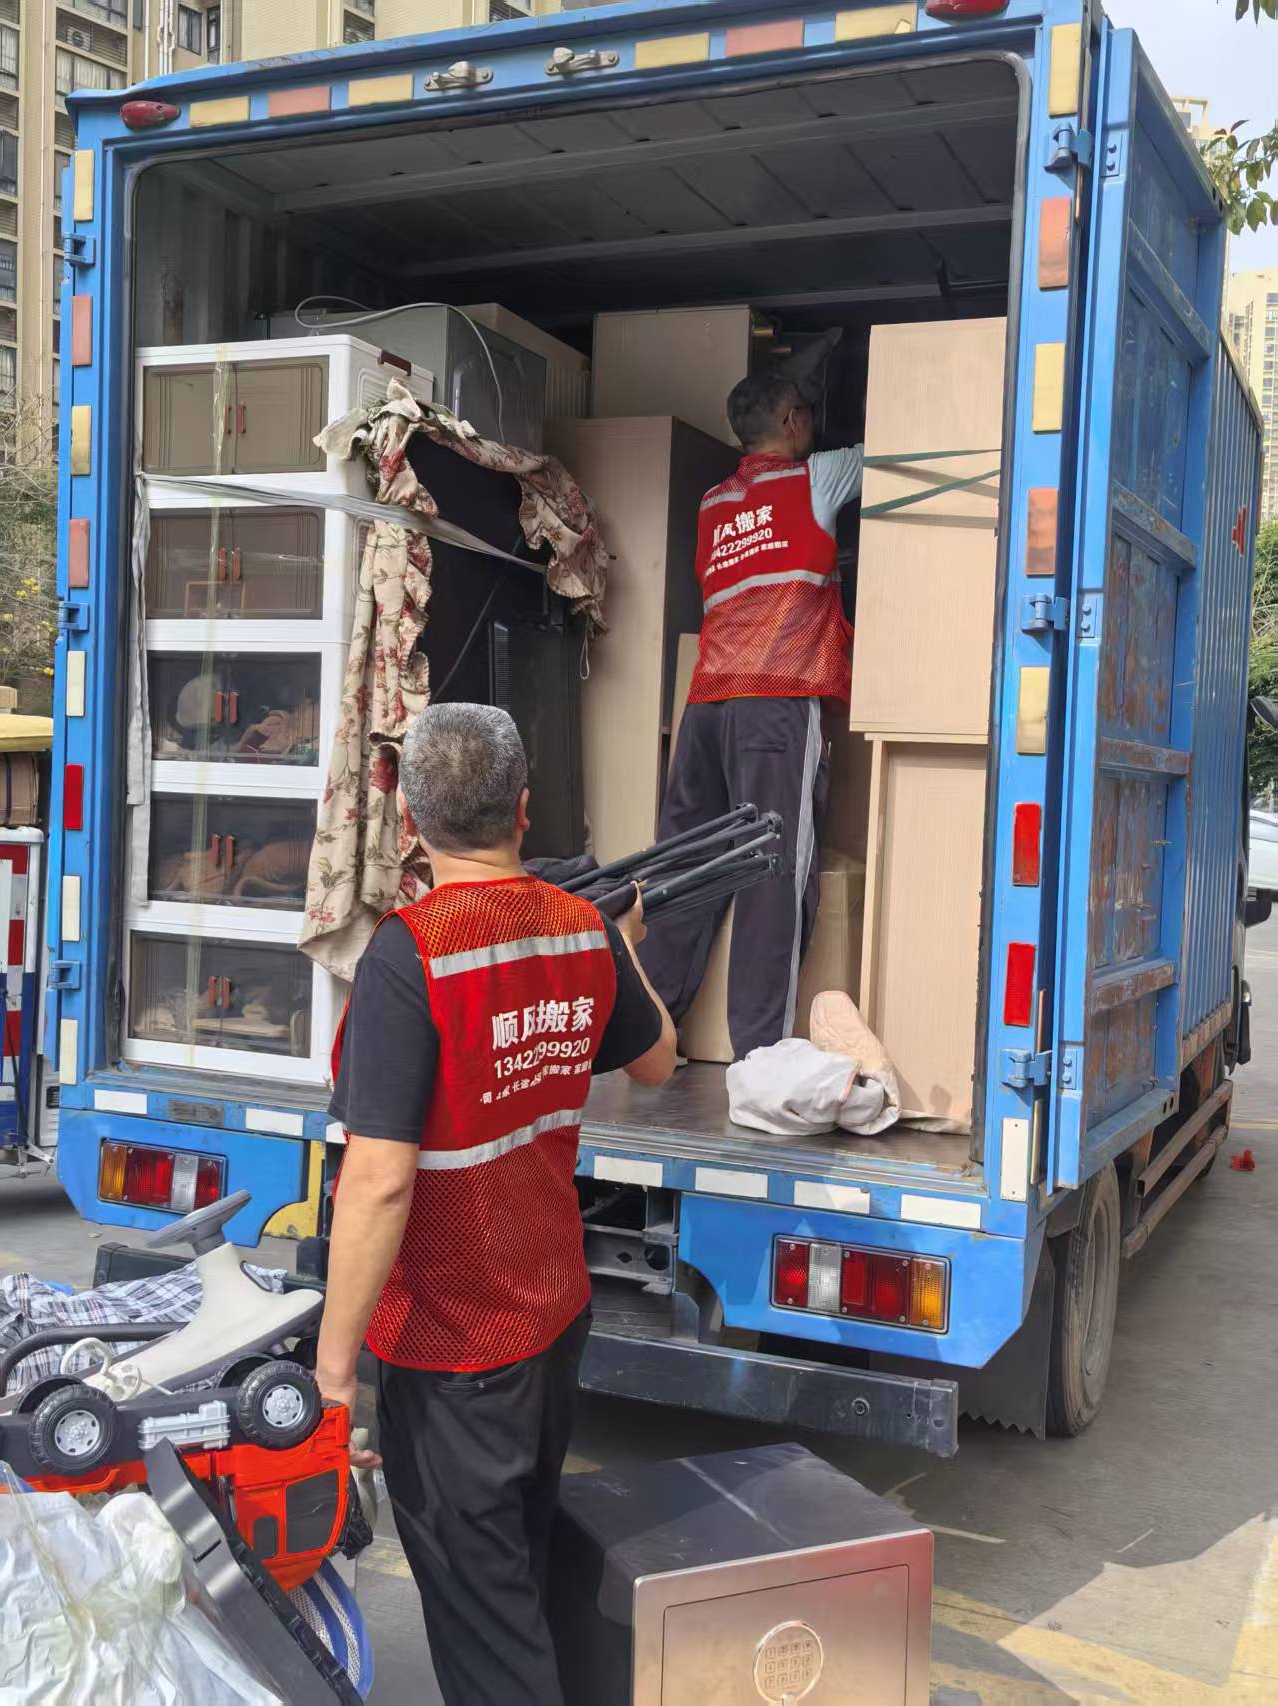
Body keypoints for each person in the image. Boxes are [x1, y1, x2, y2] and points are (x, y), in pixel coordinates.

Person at [315, 703, 677, 1706]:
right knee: (518, 1573)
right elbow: (657, 1059)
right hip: (551, 1314)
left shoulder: (412, 953)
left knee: (489, 1632)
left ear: (409, 824)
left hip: (452, 1342)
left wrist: (334, 1376)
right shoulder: (582, 929)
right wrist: (623, 943)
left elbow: (380, 1177)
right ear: (523, 809)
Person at [639, 372, 864, 1059]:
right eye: (808, 415)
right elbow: (897, 452)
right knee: (773, 875)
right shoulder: (815, 478)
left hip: (707, 705)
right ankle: (760, 1054)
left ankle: (646, 1035)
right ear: (793, 420)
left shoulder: (713, 502)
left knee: (686, 868)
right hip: (775, 704)